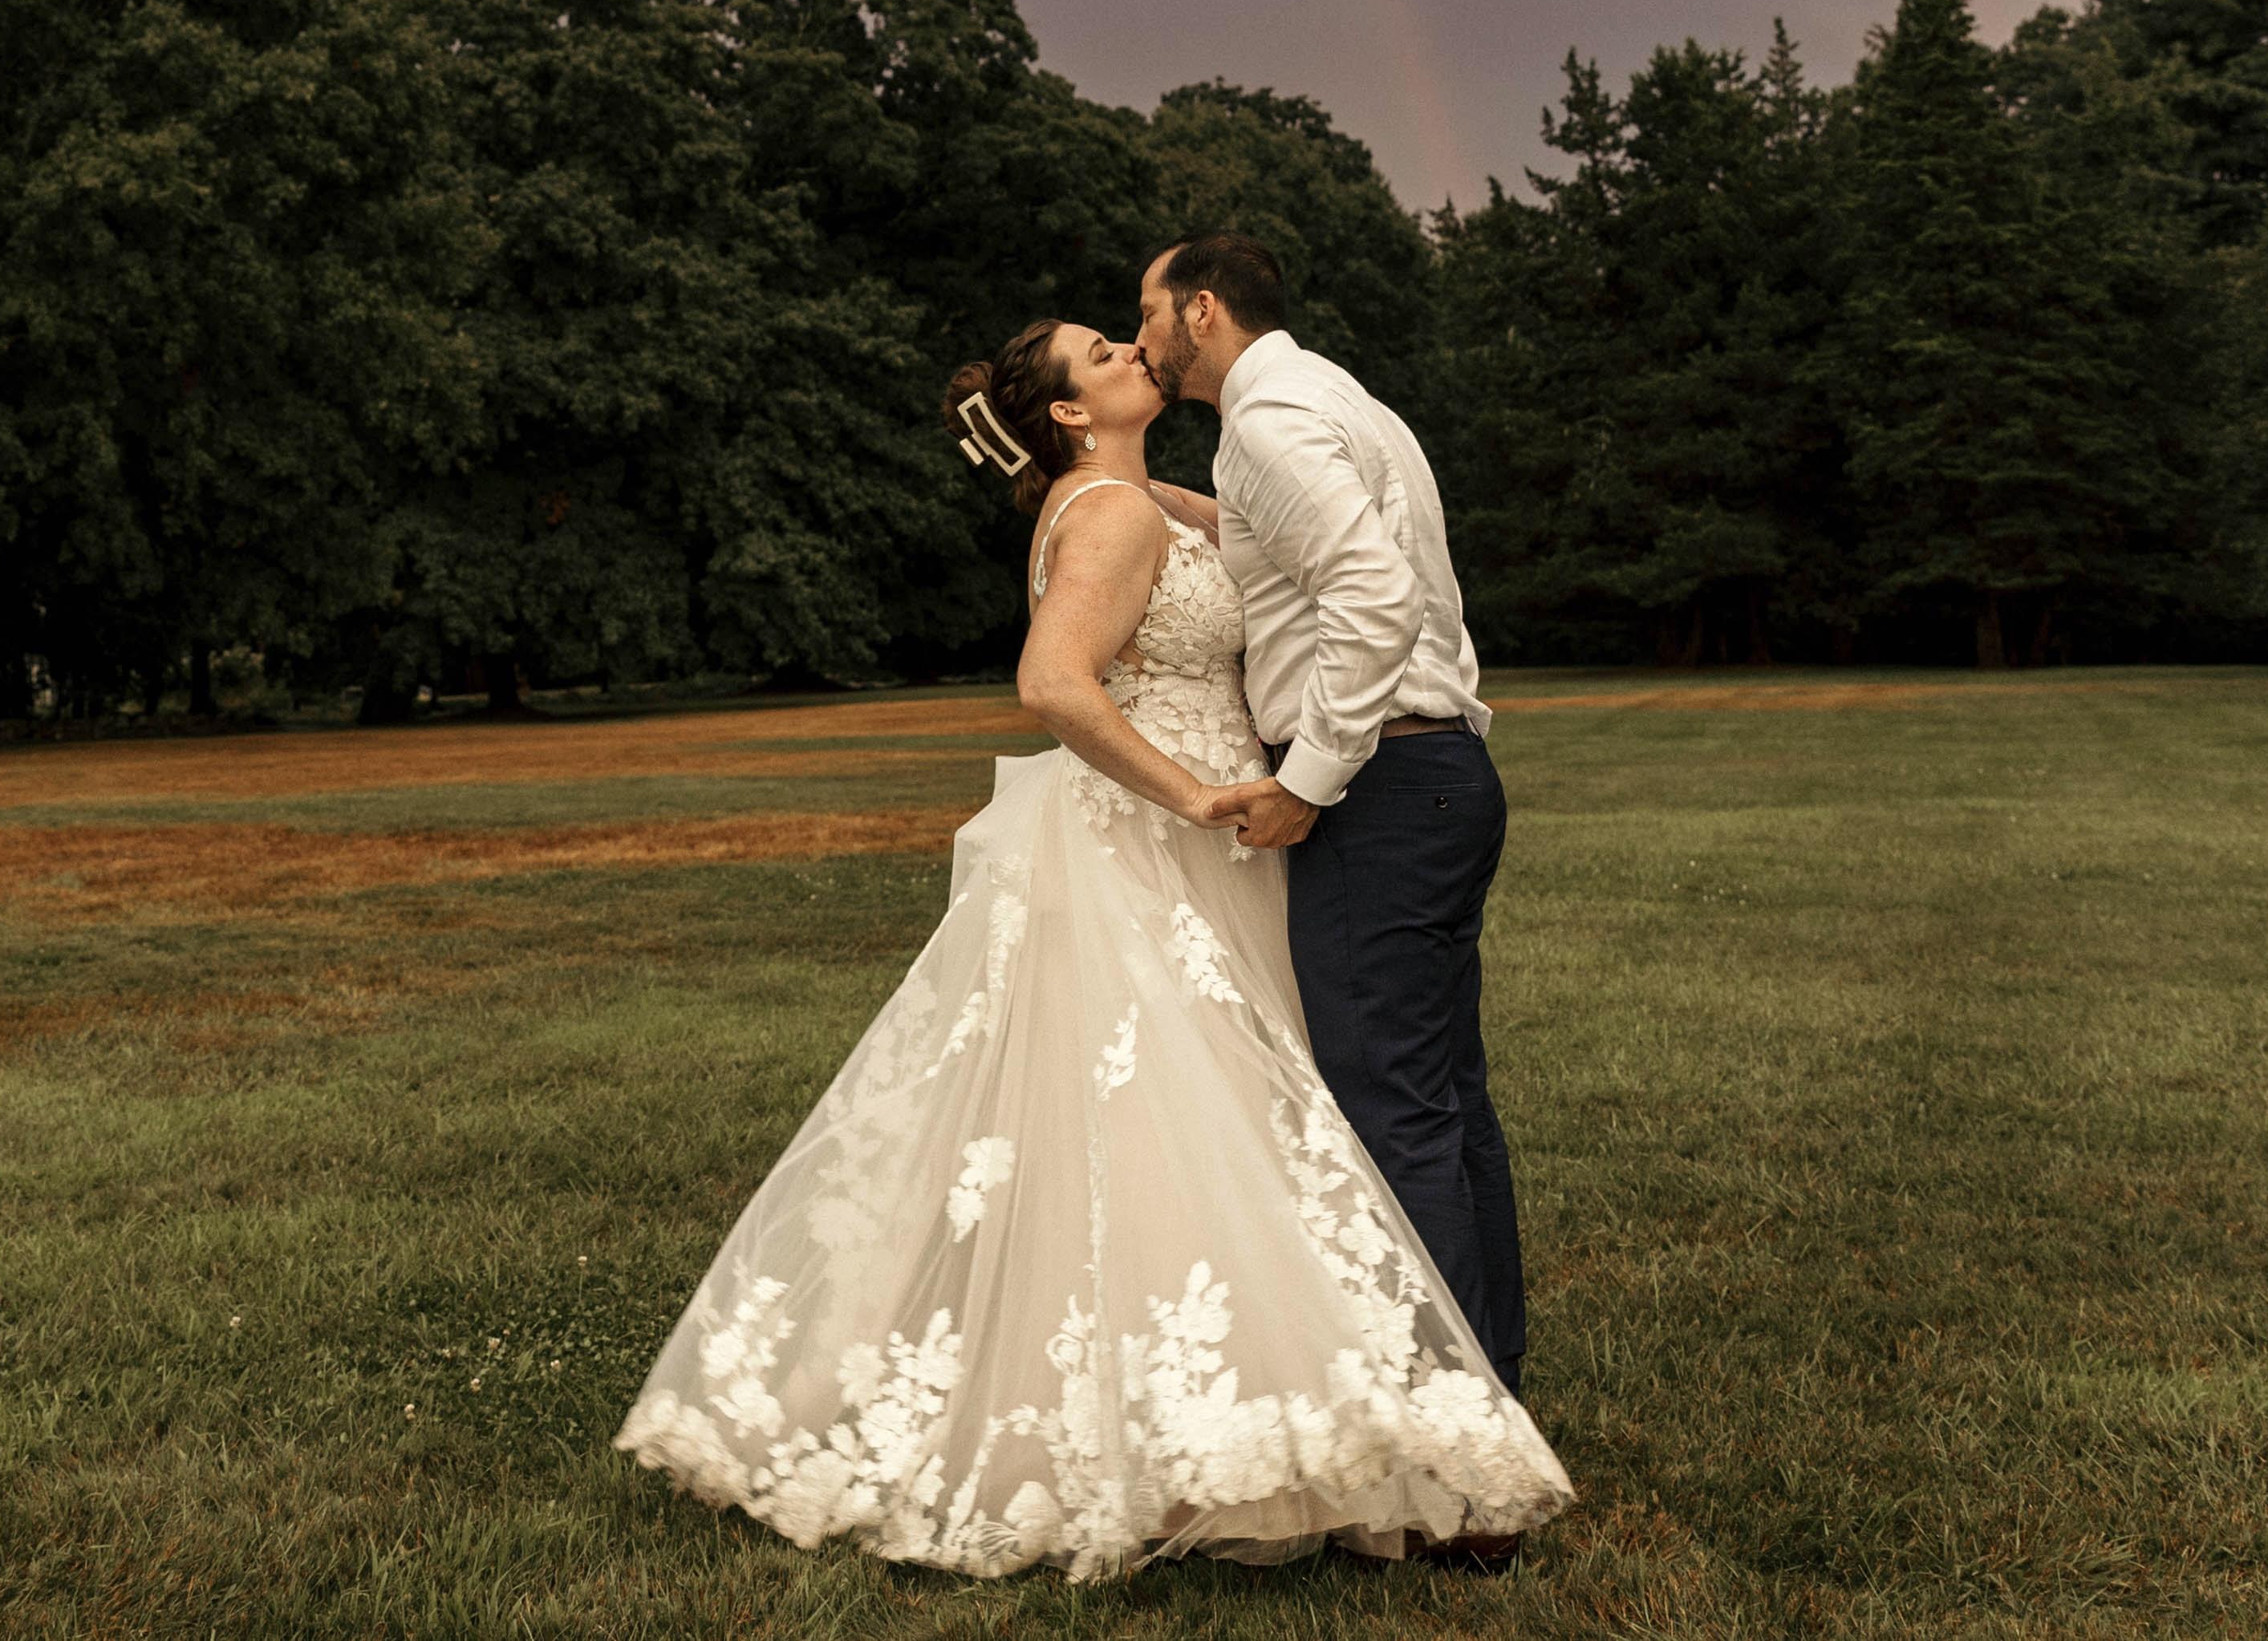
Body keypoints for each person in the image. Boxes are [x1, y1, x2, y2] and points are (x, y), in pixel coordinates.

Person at [614, 317, 1568, 1582]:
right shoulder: (1110, 515)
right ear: (1070, 411)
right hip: (1166, 836)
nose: (1131, 351)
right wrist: (1191, 793)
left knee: (1193, 1127)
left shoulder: (1133, 501)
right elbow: (1055, 683)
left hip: (1206, 836)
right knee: (1188, 1120)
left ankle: (1258, 1412)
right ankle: (1219, 1433)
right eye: (1103, 353)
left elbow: (1255, 539)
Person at [1136, 233, 1529, 1470]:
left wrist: (1310, 778)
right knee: (1448, 1105)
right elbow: (1292, 550)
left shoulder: (1268, 423)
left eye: (1146, 314)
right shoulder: (1330, 398)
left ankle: (1458, 1470)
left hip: (1381, 793)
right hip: (1441, 778)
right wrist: (1155, 497)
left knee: (1395, 1120)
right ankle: (1494, 1406)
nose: (1140, 339)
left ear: (1202, 312)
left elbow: (1372, 591)